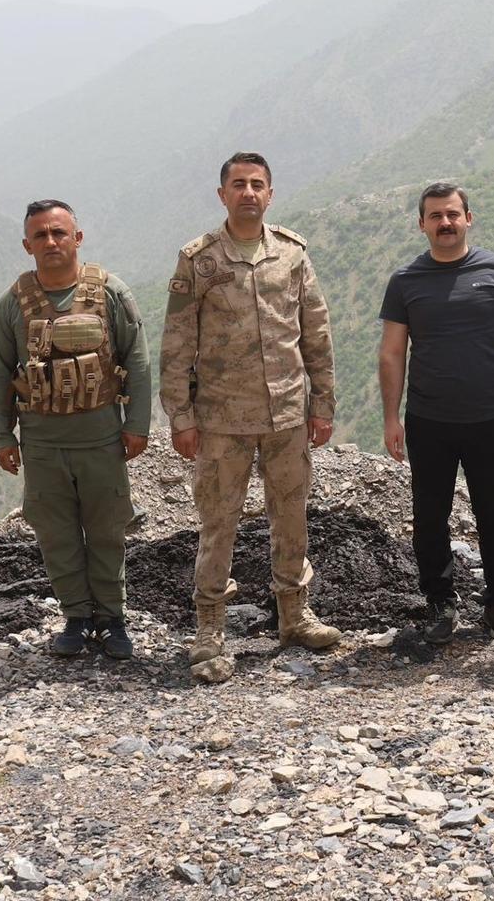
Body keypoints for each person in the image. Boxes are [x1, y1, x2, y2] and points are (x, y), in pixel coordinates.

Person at [161, 153, 341, 684]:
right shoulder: (199, 260)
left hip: (286, 413)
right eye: (237, 184)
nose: (247, 193)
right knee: (219, 524)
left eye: (257, 184)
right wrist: (181, 416)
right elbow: (177, 344)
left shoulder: (292, 255)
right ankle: (210, 628)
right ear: (222, 195)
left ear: (270, 193)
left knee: (292, 514)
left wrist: (323, 403)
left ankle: (294, 614)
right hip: (220, 418)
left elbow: (316, 333)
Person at [0, 199, 152, 659]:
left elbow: (136, 362)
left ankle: (112, 620)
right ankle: (76, 618)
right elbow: (0, 373)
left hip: (101, 438)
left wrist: (137, 425)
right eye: (40, 235)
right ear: (27, 245)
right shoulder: (12, 304)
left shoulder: (110, 293)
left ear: (77, 238)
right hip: (41, 444)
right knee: (55, 532)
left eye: (59, 233)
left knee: (107, 530)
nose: (51, 241)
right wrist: (4, 436)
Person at [378, 181, 494, 647]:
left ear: (469, 217)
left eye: (452, 214)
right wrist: (392, 418)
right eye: (435, 216)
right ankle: (439, 603)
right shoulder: (405, 280)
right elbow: (392, 353)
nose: (445, 223)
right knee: (430, 516)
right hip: (429, 421)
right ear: (422, 224)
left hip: (489, 417)